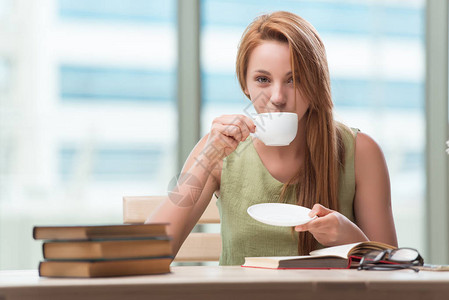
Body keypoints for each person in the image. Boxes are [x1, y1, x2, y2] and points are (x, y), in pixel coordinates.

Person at [146, 11, 398, 265]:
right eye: (263, 79)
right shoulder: (220, 149)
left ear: (316, 82)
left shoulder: (361, 152)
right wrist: (204, 163)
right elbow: (147, 253)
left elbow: (395, 273)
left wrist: (350, 237)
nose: (277, 97)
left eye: (294, 79)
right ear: (245, 85)